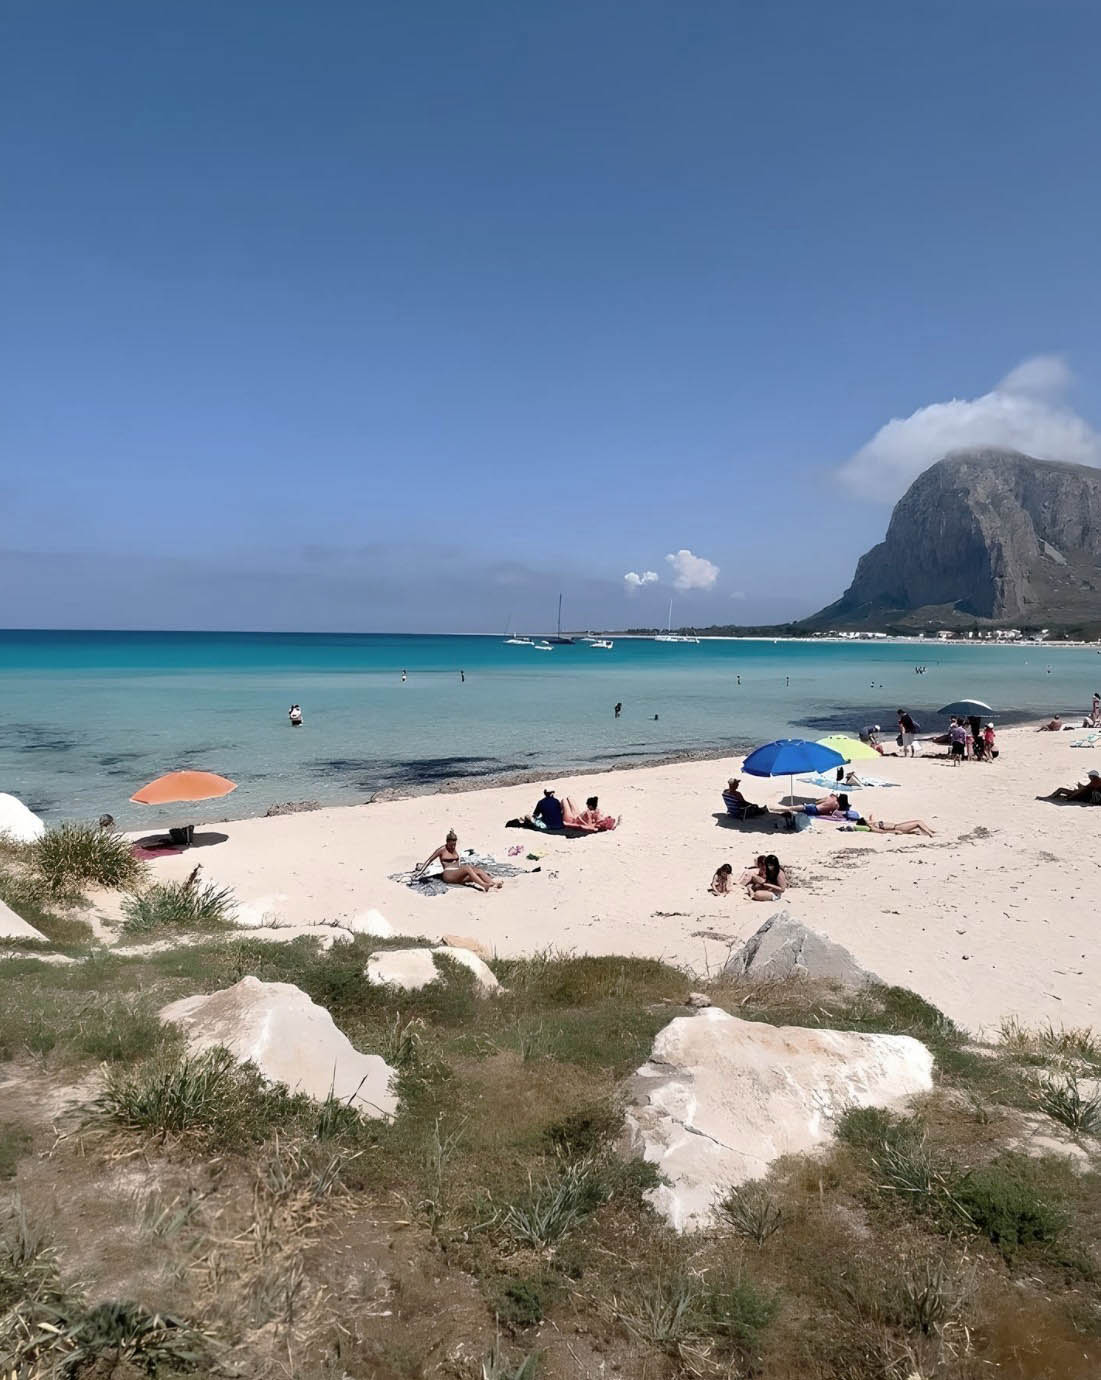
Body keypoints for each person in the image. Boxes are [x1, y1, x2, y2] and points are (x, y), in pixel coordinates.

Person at [417, 830, 502, 891]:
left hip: (457, 874)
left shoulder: (453, 848)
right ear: (447, 842)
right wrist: (420, 871)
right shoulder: (442, 850)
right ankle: (484, 885)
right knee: (467, 868)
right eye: (451, 845)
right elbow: (429, 860)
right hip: (448, 874)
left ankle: (493, 884)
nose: (453, 847)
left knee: (477, 871)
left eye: (454, 844)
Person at [861, 815, 936, 836]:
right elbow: (882, 831)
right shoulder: (872, 827)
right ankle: (931, 834)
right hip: (898, 828)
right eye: (866, 820)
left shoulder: (873, 823)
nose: (868, 820)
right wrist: (895, 831)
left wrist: (870, 818)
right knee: (918, 822)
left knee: (918, 823)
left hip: (898, 826)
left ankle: (930, 832)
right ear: (865, 823)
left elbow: (871, 817)